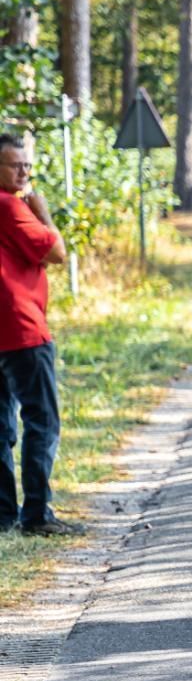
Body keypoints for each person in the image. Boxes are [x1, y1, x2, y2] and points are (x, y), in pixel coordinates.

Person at [0, 134, 79, 536]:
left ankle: (3, 515)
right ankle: (36, 515)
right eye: (15, 165)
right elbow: (57, 251)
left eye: (26, 165)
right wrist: (43, 211)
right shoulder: (11, 206)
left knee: (1, 424)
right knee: (42, 421)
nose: (23, 172)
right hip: (22, 327)